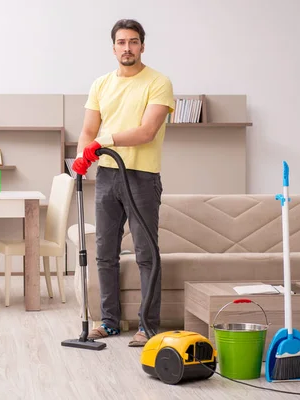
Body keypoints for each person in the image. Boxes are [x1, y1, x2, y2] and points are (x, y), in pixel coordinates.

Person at [72, 19, 174, 347]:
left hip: (142, 177)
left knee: (146, 252)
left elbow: (146, 132)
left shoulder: (158, 83)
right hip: (107, 177)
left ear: (142, 46)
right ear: (113, 47)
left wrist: (105, 140)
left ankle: (148, 326)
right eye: (121, 42)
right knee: (105, 253)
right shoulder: (101, 84)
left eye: (133, 42)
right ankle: (110, 322)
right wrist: (81, 158)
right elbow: (88, 130)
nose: (127, 48)